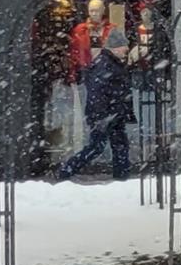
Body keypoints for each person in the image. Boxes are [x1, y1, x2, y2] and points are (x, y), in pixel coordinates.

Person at [55, 25, 138, 181]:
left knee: (118, 145)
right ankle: (66, 170)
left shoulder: (111, 63)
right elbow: (97, 91)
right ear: (115, 48)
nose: (126, 49)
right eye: (123, 47)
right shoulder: (105, 64)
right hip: (107, 114)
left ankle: (122, 177)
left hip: (112, 113)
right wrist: (102, 117)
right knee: (97, 147)